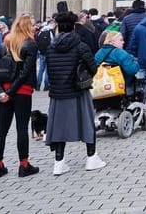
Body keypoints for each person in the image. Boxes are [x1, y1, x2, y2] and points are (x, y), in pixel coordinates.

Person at [45, 11, 104, 175]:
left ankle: (59, 162)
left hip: (58, 92)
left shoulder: (51, 47)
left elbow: (49, 70)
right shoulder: (80, 46)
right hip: (78, 89)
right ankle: (91, 158)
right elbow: (93, 68)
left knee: (58, 127)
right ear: (73, 27)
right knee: (87, 123)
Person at [0, 14, 40, 177]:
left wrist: (1, 92)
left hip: (4, 91)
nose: (35, 27)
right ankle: (24, 165)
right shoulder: (30, 44)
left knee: (2, 128)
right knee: (21, 128)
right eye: (32, 25)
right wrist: (11, 92)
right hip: (22, 91)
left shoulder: (5, 43)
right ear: (26, 27)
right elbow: (25, 73)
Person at [35, 17, 55, 91]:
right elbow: (53, 42)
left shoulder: (41, 30)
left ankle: (38, 85)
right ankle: (46, 86)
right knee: (47, 70)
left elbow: (37, 41)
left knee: (41, 69)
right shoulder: (50, 31)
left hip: (41, 53)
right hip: (49, 53)